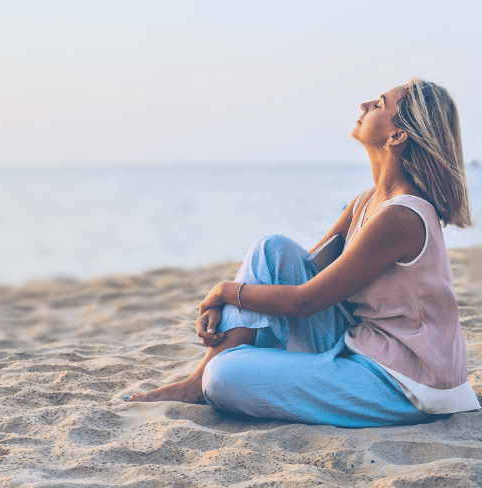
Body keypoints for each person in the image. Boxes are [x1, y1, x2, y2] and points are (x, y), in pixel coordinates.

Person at [124, 78, 480, 427]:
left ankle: (208, 378)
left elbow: (304, 302)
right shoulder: (365, 202)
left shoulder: (401, 216)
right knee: (270, 250)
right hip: (361, 344)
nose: (365, 105)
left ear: (397, 136)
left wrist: (222, 293)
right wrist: (233, 304)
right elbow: (294, 271)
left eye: (379, 105)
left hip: (405, 382)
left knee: (223, 376)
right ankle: (195, 382)